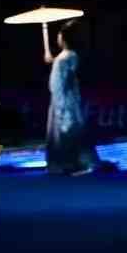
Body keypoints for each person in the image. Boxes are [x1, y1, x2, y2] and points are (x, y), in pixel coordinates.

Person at [43, 22, 94, 174]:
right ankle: (74, 163)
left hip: (62, 99)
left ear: (64, 39)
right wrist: (53, 61)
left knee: (64, 131)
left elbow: (58, 84)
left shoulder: (64, 59)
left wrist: (60, 106)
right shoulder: (71, 55)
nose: (58, 38)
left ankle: (66, 164)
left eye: (59, 36)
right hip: (70, 98)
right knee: (71, 129)